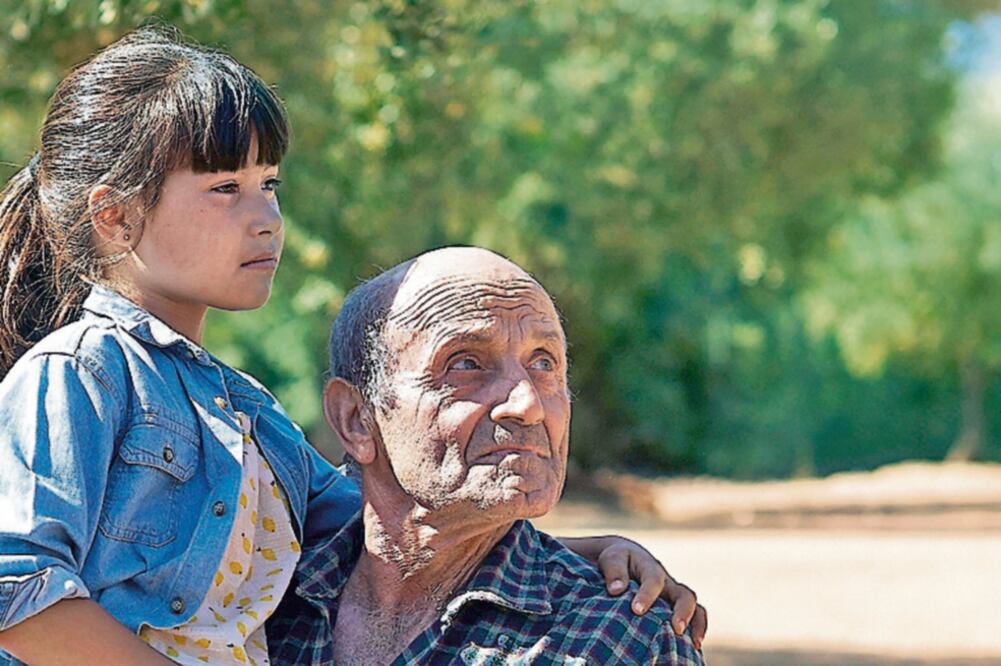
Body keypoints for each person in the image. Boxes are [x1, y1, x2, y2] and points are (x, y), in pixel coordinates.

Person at [0, 27, 703, 665]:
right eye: (225, 188)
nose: (267, 219)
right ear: (117, 218)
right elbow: (16, 588)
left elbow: (391, 528)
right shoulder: (77, 374)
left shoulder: (249, 415)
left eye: (268, 184)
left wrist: (584, 556)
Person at [268, 247, 705, 665]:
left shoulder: (621, 642)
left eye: (544, 363)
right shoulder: (256, 597)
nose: (528, 404)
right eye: (465, 364)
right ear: (357, 420)